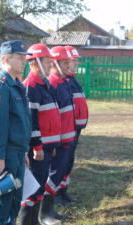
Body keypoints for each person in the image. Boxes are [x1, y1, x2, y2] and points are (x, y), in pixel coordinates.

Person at [0, 40, 31, 225]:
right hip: (5, 153)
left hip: (16, 153)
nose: (23, 61)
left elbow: (21, 122)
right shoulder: (1, 86)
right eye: (19, 57)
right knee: (0, 204)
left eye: (24, 57)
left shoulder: (15, 84)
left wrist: (24, 151)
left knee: (13, 202)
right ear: (5, 59)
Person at [19, 44, 62, 225]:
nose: (50, 66)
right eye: (46, 62)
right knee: (33, 188)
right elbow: (31, 122)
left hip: (46, 147)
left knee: (40, 184)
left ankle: (34, 221)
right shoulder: (31, 87)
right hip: (37, 149)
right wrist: (37, 147)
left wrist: (52, 146)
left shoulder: (44, 85)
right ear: (35, 63)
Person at [43, 46, 76, 222]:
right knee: (52, 175)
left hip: (67, 139)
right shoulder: (53, 84)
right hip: (59, 141)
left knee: (59, 173)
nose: (69, 66)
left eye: (68, 63)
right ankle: (45, 212)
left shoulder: (63, 82)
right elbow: (51, 118)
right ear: (54, 64)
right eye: (65, 63)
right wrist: (55, 142)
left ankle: (49, 209)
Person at [55, 46, 89, 204]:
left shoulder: (71, 79)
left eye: (74, 61)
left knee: (69, 161)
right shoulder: (62, 81)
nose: (74, 64)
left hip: (74, 129)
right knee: (61, 162)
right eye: (71, 61)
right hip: (68, 129)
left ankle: (63, 190)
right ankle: (56, 193)